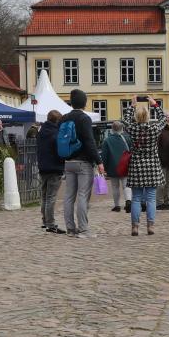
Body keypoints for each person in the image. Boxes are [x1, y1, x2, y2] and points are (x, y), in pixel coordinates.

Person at [60, 89, 105, 237]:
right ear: (85, 103)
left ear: (71, 103)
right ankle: (84, 230)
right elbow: (89, 141)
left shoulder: (64, 118)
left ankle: (70, 229)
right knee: (82, 195)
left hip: (68, 162)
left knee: (68, 196)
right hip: (83, 162)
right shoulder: (85, 119)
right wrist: (99, 161)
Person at [121, 97, 167, 235]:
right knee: (151, 198)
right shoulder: (154, 128)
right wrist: (155, 105)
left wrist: (132, 106)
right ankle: (150, 226)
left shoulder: (132, 128)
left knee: (136, 198)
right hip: (152, 166)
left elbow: (125, 120)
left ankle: (135, 227)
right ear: (148, 116)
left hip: (136, 166)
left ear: (136, 116)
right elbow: (163, 119)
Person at [36, 110, 65, 233]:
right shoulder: (56, 133)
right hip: (54, 168)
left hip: (43, 167)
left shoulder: (41, 131)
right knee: (51, 197)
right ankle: (51, 224)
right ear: (57, 121)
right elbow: (59, 152)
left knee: (44, 196)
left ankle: (44, 221)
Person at [99, 121, 133, 213]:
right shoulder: (127, 138)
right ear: (122, 128)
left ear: (112, 129)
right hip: (125, 165)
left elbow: (104, 155)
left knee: (115, 187)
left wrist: (103, 167)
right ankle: (128, 201)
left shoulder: (107, 140)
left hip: (112, 166)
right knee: (126, 185)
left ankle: (117, 206)